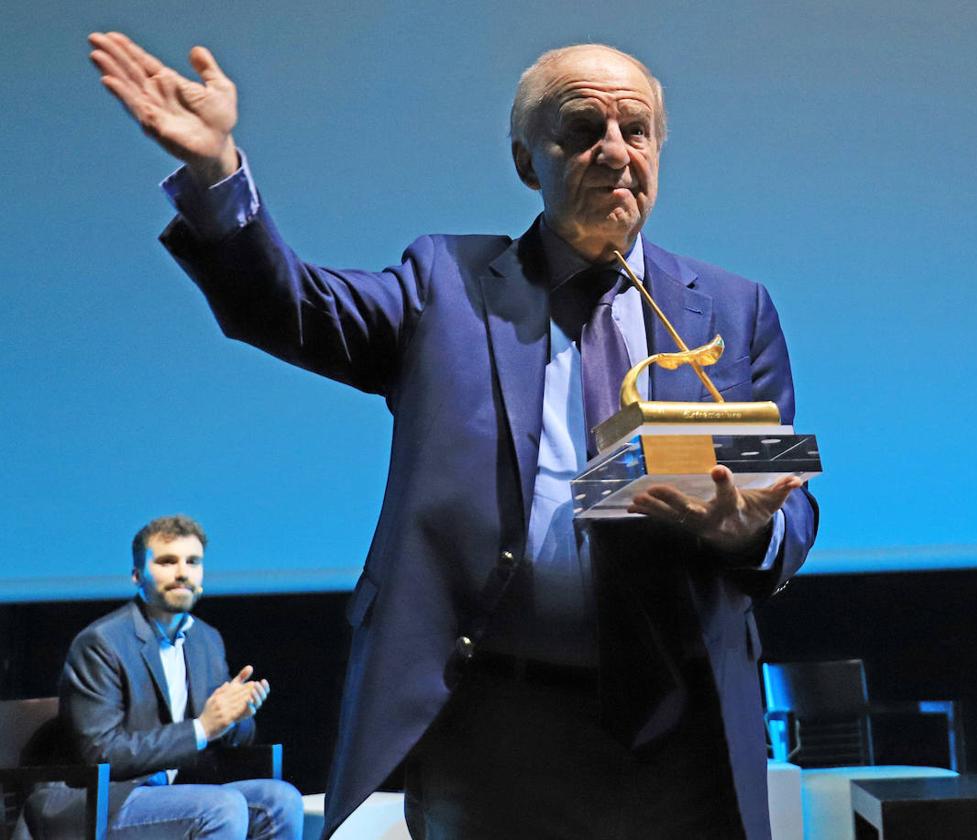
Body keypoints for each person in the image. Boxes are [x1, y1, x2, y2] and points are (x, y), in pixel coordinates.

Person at [87, 33, 819, 840]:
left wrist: (749, 533)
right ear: (526, 160)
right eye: (583, 129)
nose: (615, 151)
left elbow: (785, 499)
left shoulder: (731, 308)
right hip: (498, 726)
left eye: (635, 129)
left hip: (679, 731)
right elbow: (291, 307)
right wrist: (215, 173)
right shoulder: (447, 287)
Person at [22, 515, 303, 839]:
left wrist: (236, 718)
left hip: (173, 792)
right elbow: (102, 753)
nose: (182, 572)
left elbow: (229, 736)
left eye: (193, 562)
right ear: (137, 575)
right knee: (222, 807)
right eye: (168, 562)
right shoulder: (101, 643)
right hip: (104, 799)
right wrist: (202, 728)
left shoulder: (205, 640)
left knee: (281, 801)